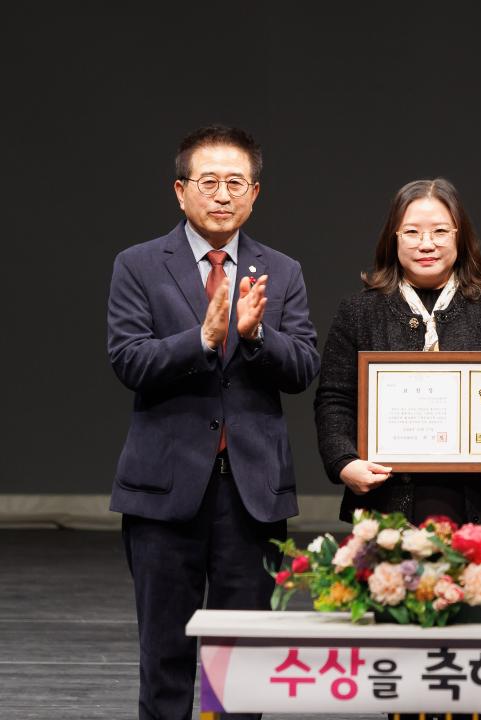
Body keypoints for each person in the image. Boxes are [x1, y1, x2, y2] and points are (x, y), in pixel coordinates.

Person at [107, 125, 320, 719]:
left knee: (242, 664)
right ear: (180, 191)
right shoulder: (139, 265)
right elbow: (128, 360)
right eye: (208, 182)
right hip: (163, 492)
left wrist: (255, 335)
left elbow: (302, 366)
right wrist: (201, 338)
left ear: (255, 194)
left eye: (236, 183)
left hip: (252, 494)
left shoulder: (282, 269)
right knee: (165, 658)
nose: (222, 195)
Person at [314, 177, 481, 530]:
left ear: (459, 237)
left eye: (440, 232)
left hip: (476, 502)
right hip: (385, 501)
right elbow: (335, 398)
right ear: (394, 238)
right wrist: (344, 461)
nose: (426, 244)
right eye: (412, 232)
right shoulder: (359, 311)